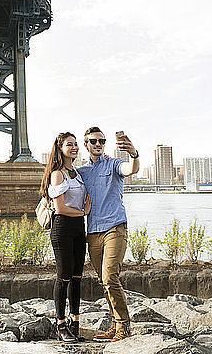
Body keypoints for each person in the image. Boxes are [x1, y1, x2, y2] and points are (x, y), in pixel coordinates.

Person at [77, 126, 140, 342]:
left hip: (115, 227)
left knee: (110, 276)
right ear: (86, 145)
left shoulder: (113, 164)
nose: (98, 145)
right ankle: (115, 324)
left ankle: (123, 326)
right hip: (93, 231)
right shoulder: (82, 172)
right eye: (93, 141)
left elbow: (130, 169)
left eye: (102, 141)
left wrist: (134, 153)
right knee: (103, 280)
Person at [40, 132, 92, 343]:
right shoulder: (57, 174)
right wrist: (84, 212)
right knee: (64, 276)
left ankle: (75, 322)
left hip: (79, 229)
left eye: (75, 144)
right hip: (62, 229)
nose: (74, 147)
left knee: (77, 277)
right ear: (60, 148)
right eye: (69, 145)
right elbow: (60, 208)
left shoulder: (77, 173)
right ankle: (60, 324)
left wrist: (83, 213)